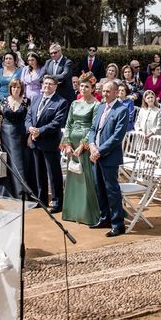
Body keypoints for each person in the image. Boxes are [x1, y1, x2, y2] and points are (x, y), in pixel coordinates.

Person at [88, 81, 129, 237]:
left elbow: (117, 137)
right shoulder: (100, 107)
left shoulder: (121, 110)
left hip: (109, 157)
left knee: (112, 191)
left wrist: (99, 151)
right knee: (99, 189)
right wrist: (92, 145)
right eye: (103, 91)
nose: (104, 94)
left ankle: (118, 224)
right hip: (95, 155)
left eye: (107, 91)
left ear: (116, 92)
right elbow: (93, 129)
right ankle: (104, 218)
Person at [59, 73, 101, 225]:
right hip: (72, 144)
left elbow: (94, 127)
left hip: (86, 145)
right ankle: (72, 211)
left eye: (87, 86)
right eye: (81, 86)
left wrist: (83, 145)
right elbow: (68, 124)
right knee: (73, 175)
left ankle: (88, 214)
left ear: (92, 88)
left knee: (86, 177)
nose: (83, 88)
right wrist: (68, 144)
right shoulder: (74, 104)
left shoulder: (96, 104)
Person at [25, 75, 68, 213]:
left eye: (50, 84)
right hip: (35, 142)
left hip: (50, 143)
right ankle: (41, 199)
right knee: (39, 173)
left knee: (53, 174)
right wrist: (30, 128)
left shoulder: (61, 102)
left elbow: (57, 123)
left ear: (56, 86)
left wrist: (40, 131)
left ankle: (57, 202)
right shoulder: (36, 98)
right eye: (45, 83)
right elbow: (29, 116)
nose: (47, 86)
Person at [0, 79, 33, 199]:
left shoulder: (26, 101)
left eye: (18, 88)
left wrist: (30, 136)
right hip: (5, 135)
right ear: (10, 88)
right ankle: (5, 191)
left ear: (21, 89)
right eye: (13, 87)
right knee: (5, 161)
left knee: (20, 162)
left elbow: (30, 119)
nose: (15, 90)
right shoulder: (3, 101)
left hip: (21, 135)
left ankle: (21, 192)